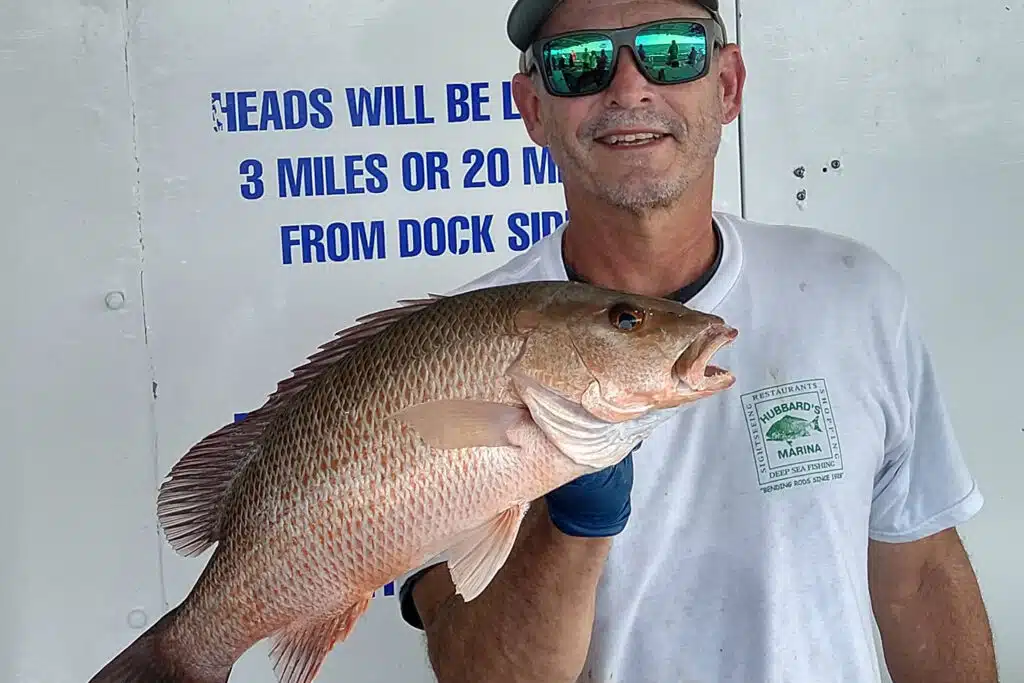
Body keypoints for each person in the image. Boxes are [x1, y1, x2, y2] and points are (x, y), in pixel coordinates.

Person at [396, 0, 1000, 681]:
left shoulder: (854, 294)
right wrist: (571, 527)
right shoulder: (443, 353)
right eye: (579, 62)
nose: (628, 87)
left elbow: (916, 575)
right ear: (533, 109)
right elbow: (481, 673)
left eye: (672, 49)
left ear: (729, 84)